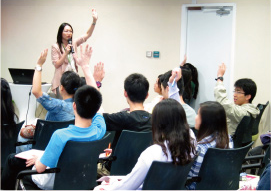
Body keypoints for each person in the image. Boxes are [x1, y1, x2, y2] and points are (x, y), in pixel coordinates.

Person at [1, 45, 105, 190]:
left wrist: (39, 159)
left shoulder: (61, 136)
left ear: (75, 106)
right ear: (96, 108)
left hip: (54, 180)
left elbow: (40, 168)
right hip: (80, 178)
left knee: (15, 160)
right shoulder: (100, 128)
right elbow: (97, 100)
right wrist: (86, 67)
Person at [94, 98, 196, 190]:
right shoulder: (191, 143)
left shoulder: (153, 153)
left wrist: (105, 188)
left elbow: (128, 186)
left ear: (158, 123)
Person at [51, 8, 98, 98]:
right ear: (61, 33)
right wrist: (65, 52)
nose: (69, 33)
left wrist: (94, 21)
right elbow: (57, 64)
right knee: (63, 106)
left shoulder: (73, 42)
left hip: (74, 79)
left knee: (74, 104)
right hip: (62, 80)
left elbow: (87, 34)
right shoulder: (55, 46)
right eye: (66, 31)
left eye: (71, 31)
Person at [186, 101, 233, 190]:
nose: (195, 118)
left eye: (198, 114)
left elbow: (192, 181)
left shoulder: (200, 149)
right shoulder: (228, 140)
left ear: (206, 121)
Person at [103, 73, 152, 151]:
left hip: (121, 162)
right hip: (144, 162)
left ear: (125, 93)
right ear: (147, 95)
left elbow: (95, 117)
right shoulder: (155, 119)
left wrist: (97, 82)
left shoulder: (121, 118)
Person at [214, 63, 260, 136]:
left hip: (227, 142)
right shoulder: (249, 108)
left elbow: (223, 101)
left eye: (238, 92)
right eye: (234, 91)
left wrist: (220, 78)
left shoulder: (243, 113)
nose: (234, 94)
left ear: (248, 96)